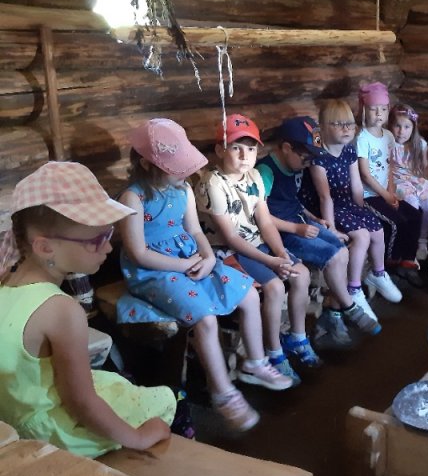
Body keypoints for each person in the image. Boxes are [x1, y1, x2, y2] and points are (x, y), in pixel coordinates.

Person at [117, 118, 292, 433]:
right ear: (147, 165)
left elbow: (196, 231)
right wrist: (185, 265)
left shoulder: (183, 188)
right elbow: (138, 253)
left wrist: (209, 257)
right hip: (153, 269)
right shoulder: (133, 198)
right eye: (176, 167)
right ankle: (222, 391)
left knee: (248, 294)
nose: (184, 172)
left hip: (191, 257)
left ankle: (255, 362)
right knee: (205, 318)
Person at [0, 162, 175, 458]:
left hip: (11, 419)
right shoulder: (62, 310)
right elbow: (80, 402)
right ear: (45, 247)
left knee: (113, 382)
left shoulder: (6, 283)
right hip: (50, 436)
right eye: (97, 240)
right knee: (160, 400)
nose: (108, 248)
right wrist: (137, 438)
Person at [195, 114, 317, 387]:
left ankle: (297, 337)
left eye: (251, 149)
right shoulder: (212, 184)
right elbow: (230, 237)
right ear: (220, 150)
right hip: (227, 249)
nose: (244, 155)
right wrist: (271, 261)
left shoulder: (254, 176)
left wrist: (280, 254)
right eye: (236, 147)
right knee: (275, 287)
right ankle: (273, 352)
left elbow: (264, 221)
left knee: (301, 273)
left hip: (256, 242)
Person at [256, 115, 381, 351]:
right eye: (306, 158)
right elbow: (260, 216)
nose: (308, 163)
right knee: (333, 256)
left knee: (341, 248)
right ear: (286, 147)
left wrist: (315, 219)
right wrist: (297, 228)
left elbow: (293, 201)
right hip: (281, 231)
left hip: (299, 221)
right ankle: (349, 305)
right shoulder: (265, 171)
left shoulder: (294, 165)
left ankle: (336, 309)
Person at [300, 99, 402, 310]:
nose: (346, 129)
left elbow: (356, 187)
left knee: (377, 229)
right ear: (323, 127)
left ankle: (378, 273)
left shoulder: (349, 151)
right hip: (326, 208)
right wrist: (331, 229)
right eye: (338, 124)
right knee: (362, 236)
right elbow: (324, 197)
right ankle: (354, 289)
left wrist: (361, 210)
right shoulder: (319, 158)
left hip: (346, 203)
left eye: (349, 123)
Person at [356, 83, 423, 286]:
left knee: (414, 215)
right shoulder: (362, 138)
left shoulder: (388, 136)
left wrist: (392, 192)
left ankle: (408, 261)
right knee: (395, 222)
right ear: (364, 110)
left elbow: (390, 166)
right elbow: (365, 175)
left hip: (386, 191)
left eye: (383, 109)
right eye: (373, 109)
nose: (379, 114)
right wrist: (386, 196)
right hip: (369, 196)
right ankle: (390, 264)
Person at [387, 103, 428, 262]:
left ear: (413, 127)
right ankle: (410, 243)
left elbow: (426, 166)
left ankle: (422, 239)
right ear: (390, 125)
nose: (402, 131)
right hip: (396, 181)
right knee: (412, 203)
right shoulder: (387, 143)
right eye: (397, 126)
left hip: (416, 180)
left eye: (407, 127)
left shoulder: (419, 144)